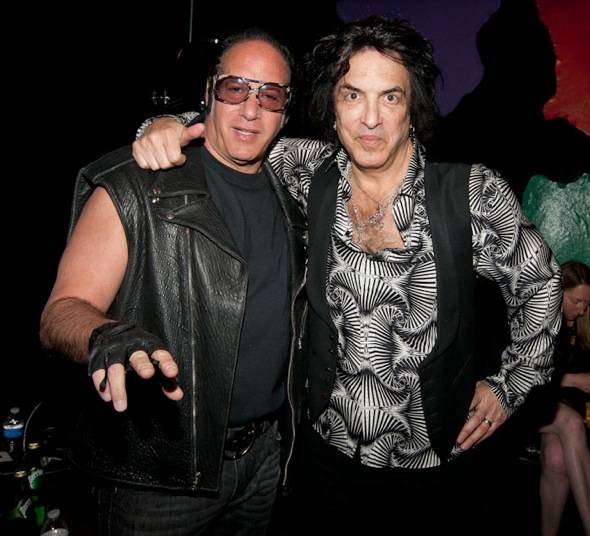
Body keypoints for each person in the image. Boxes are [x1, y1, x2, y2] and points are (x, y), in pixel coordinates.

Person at [132, 16, 562, 534]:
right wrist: (164, 125)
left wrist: (509, 385)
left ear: (412, 109)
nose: (370, 119)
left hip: (432, 467)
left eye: (390, 97)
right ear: (332, 108)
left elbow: (541, 285)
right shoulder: (308, 169)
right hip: (324, 458)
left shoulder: (471, 194)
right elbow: (233, 128)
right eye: (353, 95)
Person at [40, 29, 308, 535]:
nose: (251, 109)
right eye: (235, 88)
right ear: (208, 91)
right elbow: (62, 310)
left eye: (270, 95)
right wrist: (106, 335)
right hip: (159, 474)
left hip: (263, 462)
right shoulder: (137, 185)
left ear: (285, 110)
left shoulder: (294, 195)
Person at [539, 260, 590, 536]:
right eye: (576, 301)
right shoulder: (541, 321)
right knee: (571, 423)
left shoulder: (582, 326)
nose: (582, 310)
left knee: (557, 459)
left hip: (564, 411)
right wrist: (574, 380)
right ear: (558, 292)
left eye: (587, 303)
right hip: (530, 406)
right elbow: (530, 379)